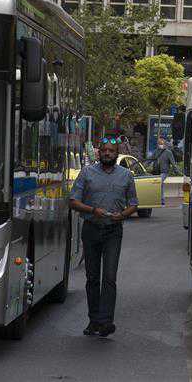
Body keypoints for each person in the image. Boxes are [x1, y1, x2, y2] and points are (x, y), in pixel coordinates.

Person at [70, 138, 138, 338]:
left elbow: (133, 203)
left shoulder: (126, 176)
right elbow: (73, 201)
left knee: (109, 277)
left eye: (111, 150)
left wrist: (123, 215)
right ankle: (94, 321)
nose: (107, 153)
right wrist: (93, 210)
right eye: (104, 150)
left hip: (113, 231)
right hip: (91, 229)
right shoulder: (87, 173)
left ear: (117, 154)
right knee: (92, 278)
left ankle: (106, 321)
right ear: (98, 153)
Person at [155, 137, 178, 206]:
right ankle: (158, 200)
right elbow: (150, 159)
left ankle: (162, 201)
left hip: (164, 172)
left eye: (161, 143)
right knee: (158, 185)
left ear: (164, 144)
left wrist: (176, 171)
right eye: (159, 143)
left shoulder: (168, 153)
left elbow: (173, 163)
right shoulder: (156, 151)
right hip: (156, 171)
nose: (160, 144)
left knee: (160, 183)